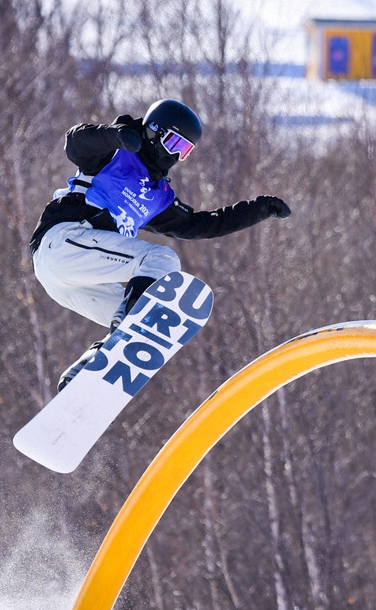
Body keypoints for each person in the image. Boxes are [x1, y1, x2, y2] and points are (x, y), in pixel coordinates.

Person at [29, 99, 291, 391]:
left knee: (150, 326)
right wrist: (116, 136)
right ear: (154, 132)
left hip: (67, 280)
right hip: (63, 240)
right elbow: (75, 143)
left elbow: (202, 224)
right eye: (174, 144)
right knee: (162, 260)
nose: (176, 156)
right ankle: (124, 328)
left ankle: (85, 373)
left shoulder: (158, 196)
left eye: (185, 151)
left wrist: (258, 209)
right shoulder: (115, 154)